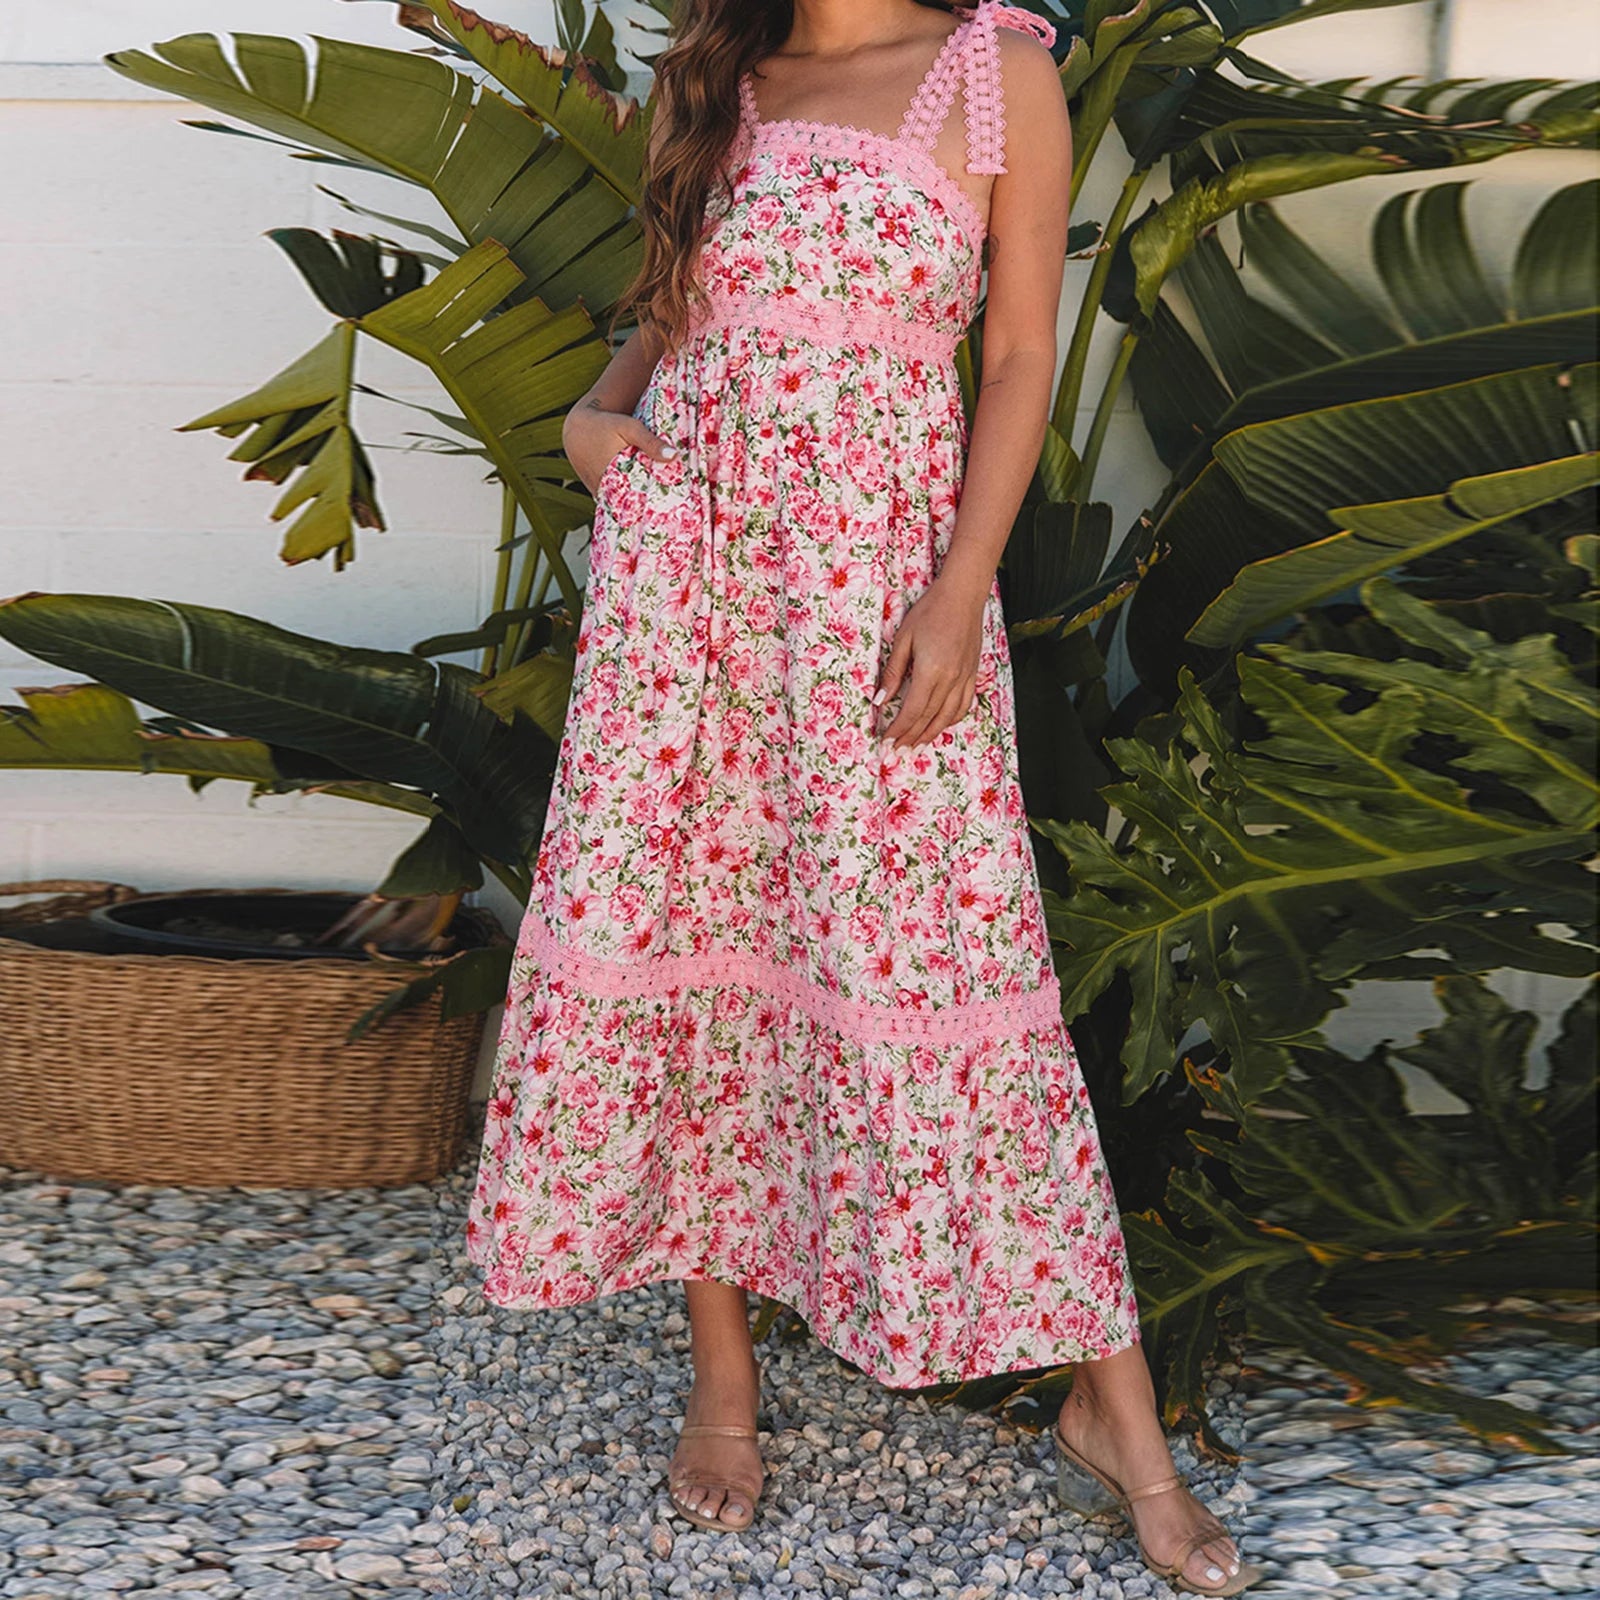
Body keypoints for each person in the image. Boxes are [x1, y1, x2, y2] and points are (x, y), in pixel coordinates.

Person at [466, 2, 1259, 1593]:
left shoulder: (996, 69)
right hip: (687, 595)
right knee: (697, 953)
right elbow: (660, 335)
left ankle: (1122, 1421)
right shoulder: (727, 83)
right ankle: (724, 1388)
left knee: (959, 976)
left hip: (876, 597)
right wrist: (590, 422)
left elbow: (1023, 352)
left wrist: (960, 591)